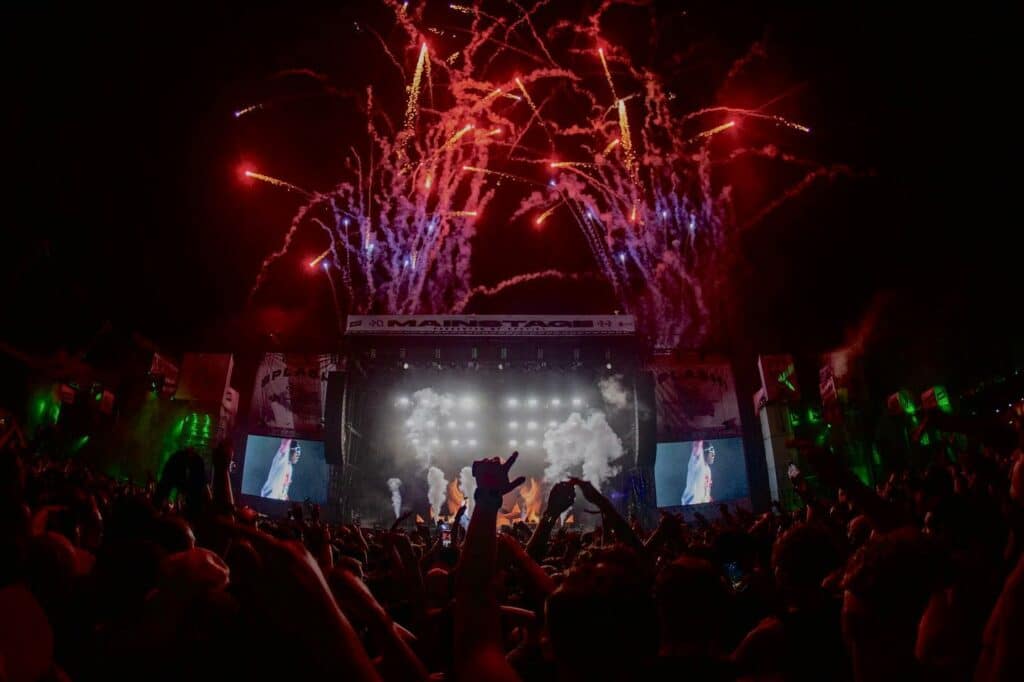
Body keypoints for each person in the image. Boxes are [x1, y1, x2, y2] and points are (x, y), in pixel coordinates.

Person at [682, 440, 715, 505]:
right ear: (703, 452)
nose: (713, 454)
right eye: (711, 450)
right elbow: (697, 445)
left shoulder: (708, 469)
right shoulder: (697, 463)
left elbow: (705, 492)